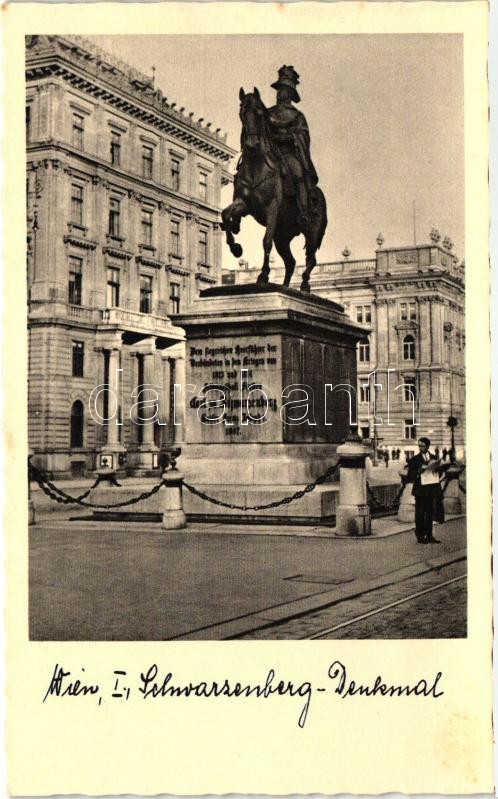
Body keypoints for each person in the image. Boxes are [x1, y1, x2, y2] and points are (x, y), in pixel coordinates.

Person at [266, 65, 319, 229]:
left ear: (290, 93)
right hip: (270, 152)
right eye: (278, 89)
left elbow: (303, 136)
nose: (279, 93)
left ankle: (303, 211)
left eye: (283, 89)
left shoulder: (297, 116)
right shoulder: (268, 113)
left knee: (297, 173)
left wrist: (288, 137)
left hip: (288, 153)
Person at [405, 437, 448, 544]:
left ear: (428, 446)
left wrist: (439, 468)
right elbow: (410, 476)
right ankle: (420, 536)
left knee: (429, 513)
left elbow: (440, 473)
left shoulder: (434, 457)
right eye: (419, 446)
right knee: (420, 513)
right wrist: (419, 471)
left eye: (423, 446)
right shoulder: (414, 459)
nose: (420, 448)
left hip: (431, 488)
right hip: (420, 490)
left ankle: (429, 535)